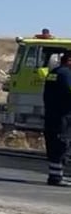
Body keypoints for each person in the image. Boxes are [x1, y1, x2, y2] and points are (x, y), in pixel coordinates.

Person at [42, 52, 71, 186]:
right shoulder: (66, 74)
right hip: (63, 115)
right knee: (62, 144)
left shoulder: (53, 73)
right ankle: (56, 178)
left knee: (54, 144)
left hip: (51, 114)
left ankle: (55, 175)